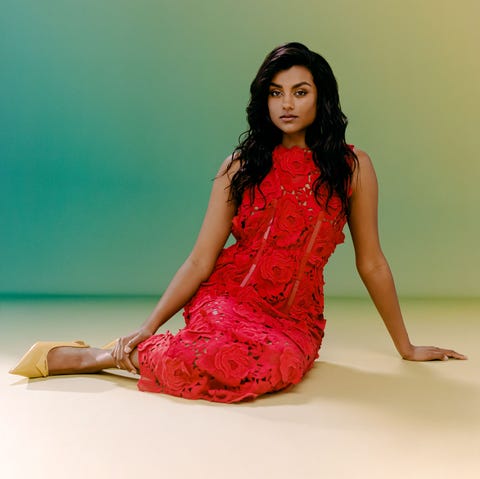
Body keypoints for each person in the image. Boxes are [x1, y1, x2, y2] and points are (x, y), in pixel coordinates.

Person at [9, 42, 466, 402]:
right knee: (218, 358)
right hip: (229, 297)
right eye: (275, 92)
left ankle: (113, 356)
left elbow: (372, 262)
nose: (287, 103)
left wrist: (405, 346)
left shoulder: (352, 167)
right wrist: (148, 327)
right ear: (263, 99)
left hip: (294, 319)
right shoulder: (239, 166)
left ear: (320, 98)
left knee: (270, 371)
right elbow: (199, 260)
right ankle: (106, 354)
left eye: (300, 91)